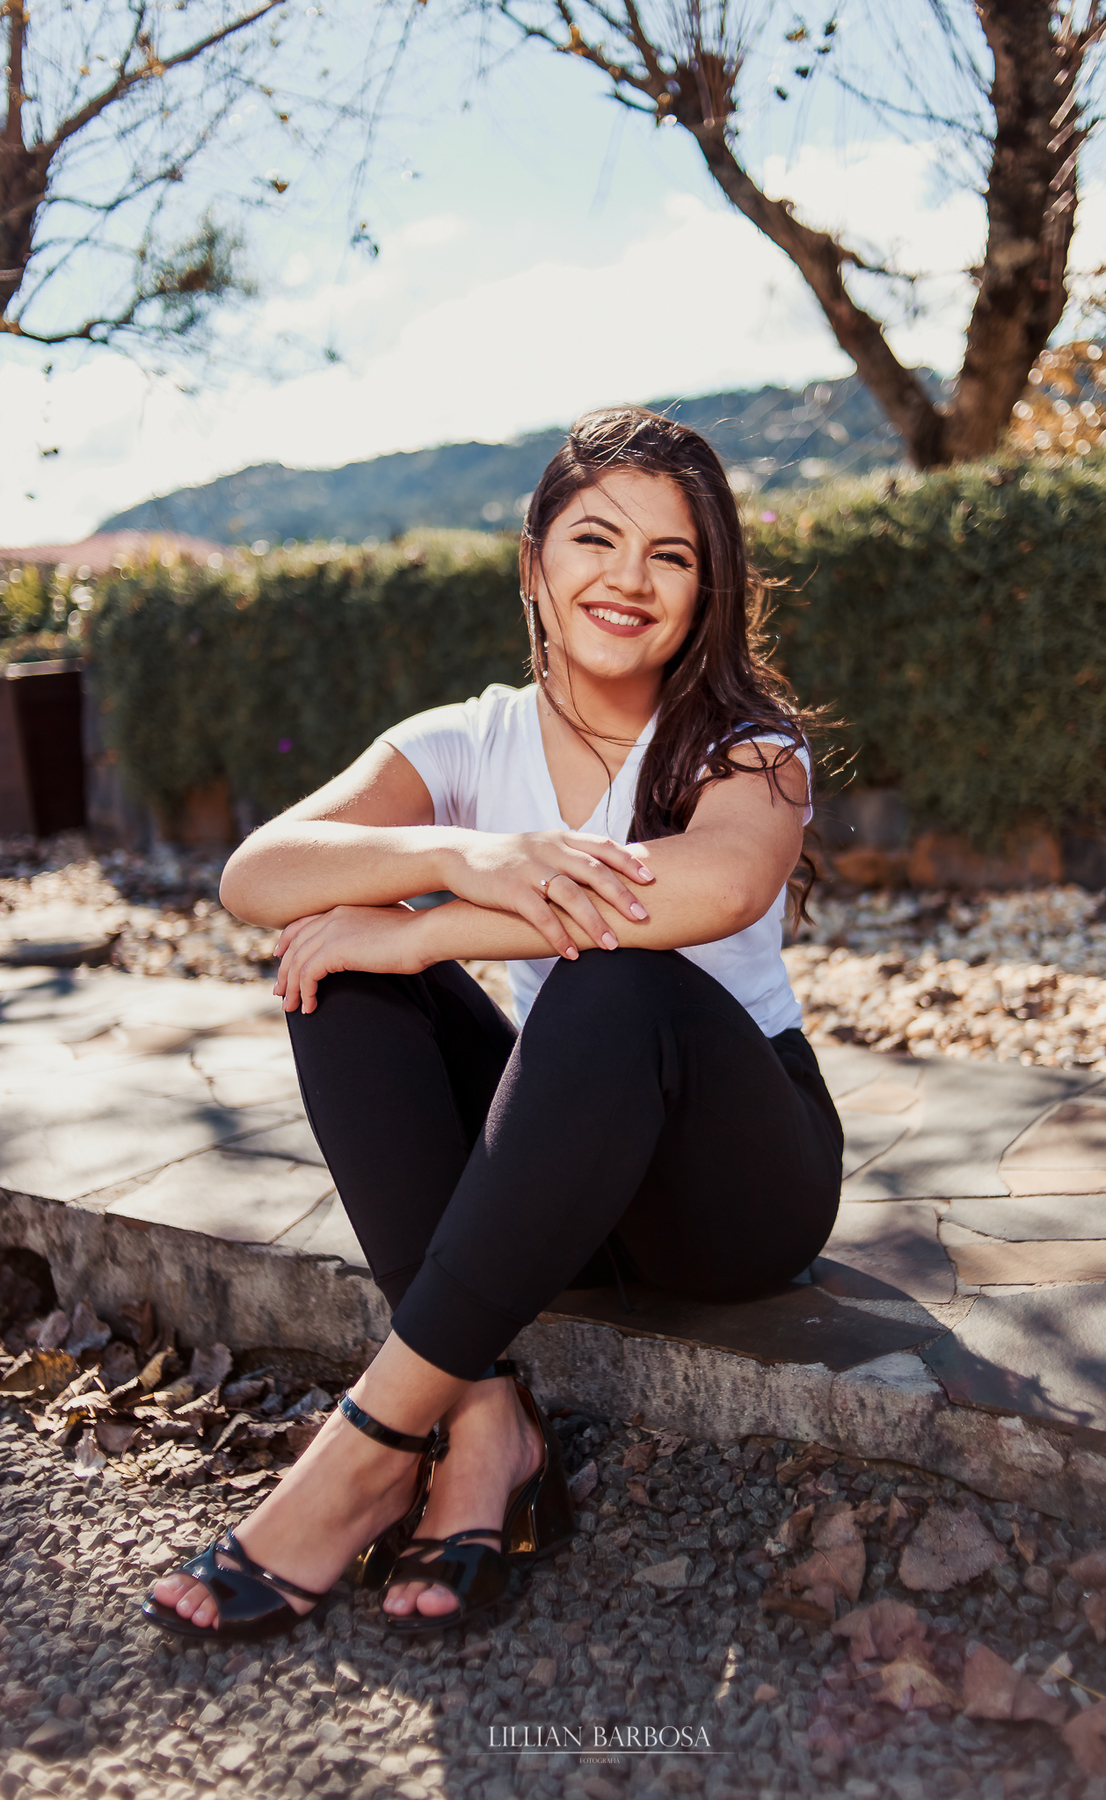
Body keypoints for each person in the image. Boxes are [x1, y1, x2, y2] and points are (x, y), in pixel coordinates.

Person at [145, 405, 843, 1643]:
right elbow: (257, 875)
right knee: (335, 966)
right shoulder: (467, 742)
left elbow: (712, 889)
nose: (628, 579)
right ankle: (483, 1422)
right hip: (560, 1160)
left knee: (607, 976)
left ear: (709, 588)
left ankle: (366, 1449)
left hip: (731, 1184)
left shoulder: (750, 748)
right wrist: (462, 853)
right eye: (596, 539)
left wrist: (427, 926)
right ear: (534, 562)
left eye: (672, 556)